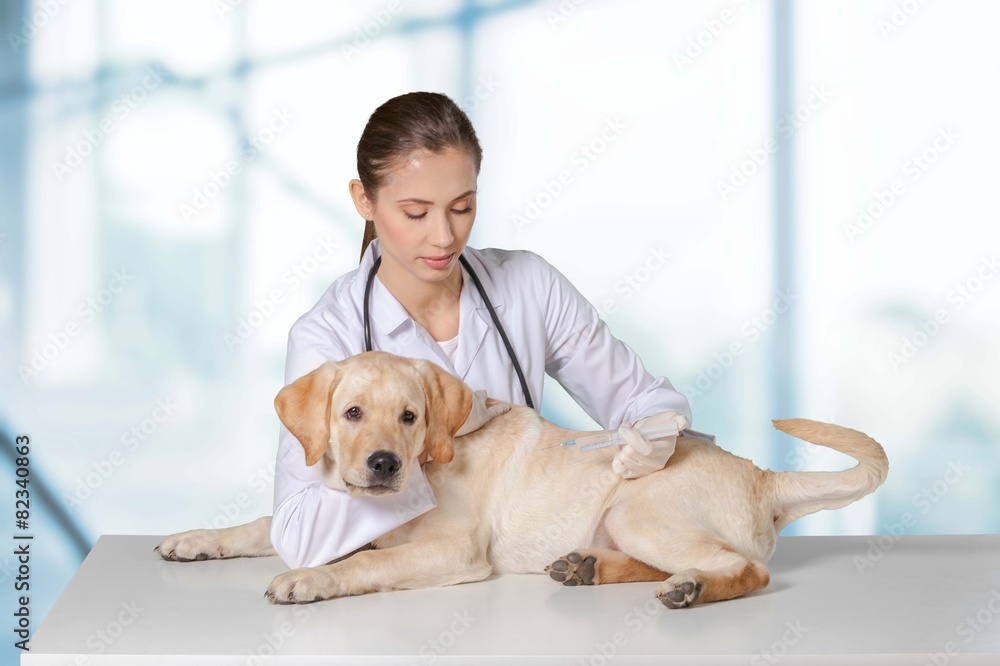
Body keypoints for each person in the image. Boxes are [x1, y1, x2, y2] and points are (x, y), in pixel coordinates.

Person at [270, 91, 714, 570]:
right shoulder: (328, 335)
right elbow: (299, 535)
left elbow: (643, 400)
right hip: (401, 597)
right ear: (365, 200)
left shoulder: (529, 286)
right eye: (416, 213)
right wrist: (429, 446)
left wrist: (659, 431)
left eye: (461, 207)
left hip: (525, 583)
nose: (444, 237)